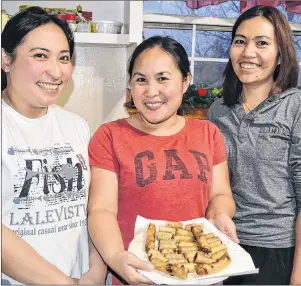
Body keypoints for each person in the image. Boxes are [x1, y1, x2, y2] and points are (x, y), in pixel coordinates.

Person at [87, 35, 239, 285]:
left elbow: (221, 194)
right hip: (136, 272)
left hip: (198, 273)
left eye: (163, 78)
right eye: (140, 80)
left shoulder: (208, 133)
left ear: (185, 81)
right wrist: (115, 257)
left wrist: (220, 215)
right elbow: (101, 209)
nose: (151, 91)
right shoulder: (109, 136)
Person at [1, 7, 107, 284]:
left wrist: (96, 271)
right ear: (6, 59)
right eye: (40, 56)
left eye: (64, 58)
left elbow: (94, 207)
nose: (56, 71)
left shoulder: (77, 126)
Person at [207, 5, 301, 285]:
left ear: (281, 55)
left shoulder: (295, 107)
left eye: (262, 43)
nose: (248, 53)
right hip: (223, 245)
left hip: (277, 251)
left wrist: (298, 276)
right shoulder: (217, 111)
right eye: (240, 41)